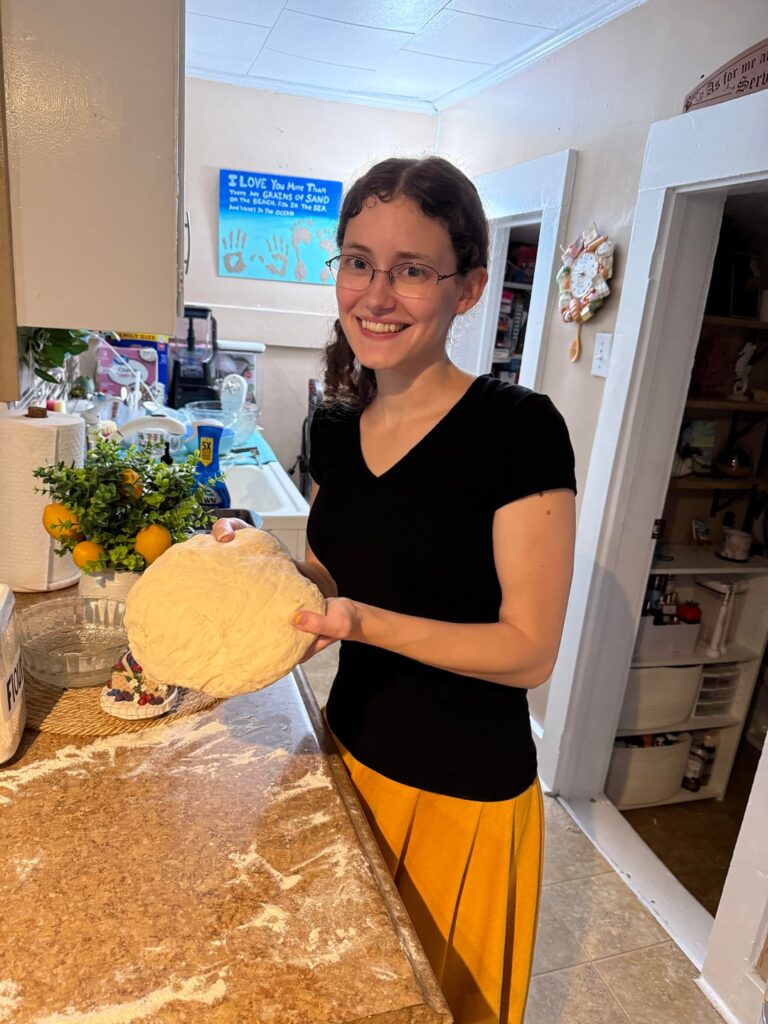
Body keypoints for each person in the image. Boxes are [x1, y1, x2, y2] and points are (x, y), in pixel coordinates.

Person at [214, 155, 576, 1024]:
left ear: (467, 288)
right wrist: (257, 568)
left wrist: (363, 622)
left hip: (462, 795)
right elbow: (343, 577)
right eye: (358, 262)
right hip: (346, 757)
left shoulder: (517, 430)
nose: (375, 296)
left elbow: (528, 651)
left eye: (412, 270)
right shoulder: (335, 425)